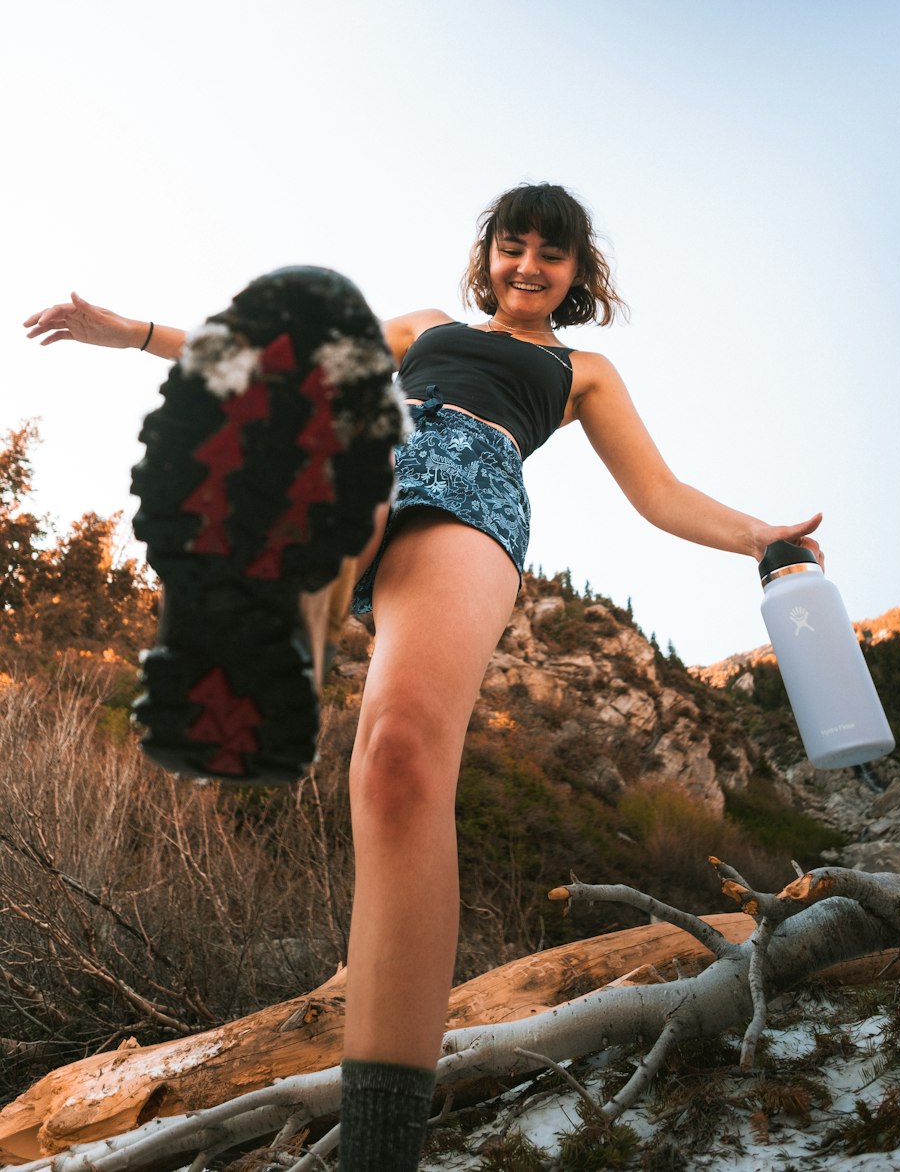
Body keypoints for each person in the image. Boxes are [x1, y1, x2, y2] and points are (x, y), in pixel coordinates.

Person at [24, 183, 822, 1171]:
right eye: (511, 245)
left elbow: (657, 495)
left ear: (576, 275)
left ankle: (382, 1151)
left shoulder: (583, 372)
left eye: (551, 254)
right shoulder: (426, 326)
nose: (527, 265)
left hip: (474, 495)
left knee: (397, 765)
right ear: (487, 255)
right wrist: (128, 331)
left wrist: (764, 536)